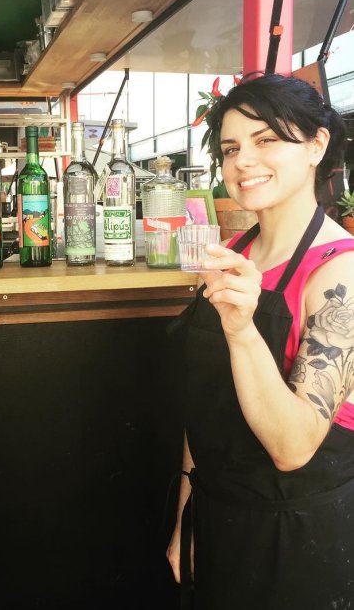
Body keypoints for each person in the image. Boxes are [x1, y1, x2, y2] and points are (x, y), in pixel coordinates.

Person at [166, 73, 354, 609]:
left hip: (296, 540)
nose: (243, 161)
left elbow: (293, 449)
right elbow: (204, 399)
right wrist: (188, 517)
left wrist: (242, 328)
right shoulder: (236, 249)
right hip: (217, 519)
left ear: (317, 146)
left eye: (267, 139)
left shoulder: (340, 275)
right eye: (231, 147)